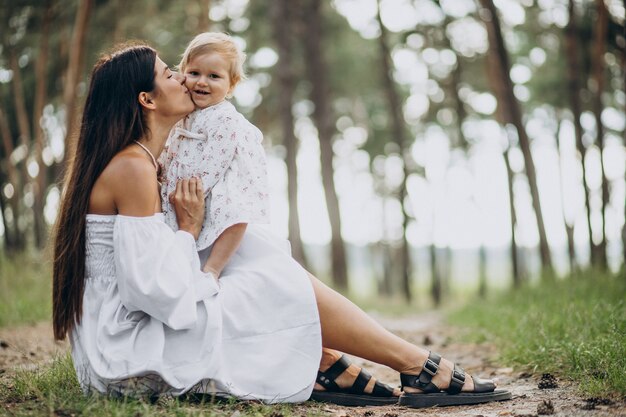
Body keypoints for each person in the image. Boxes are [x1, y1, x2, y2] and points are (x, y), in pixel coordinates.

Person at [52, 41, 511, 408]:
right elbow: (150, 291)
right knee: (266, 275)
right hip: (125, 352)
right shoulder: (132, 167)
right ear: (148, 99)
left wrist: (197, 252)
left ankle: (333, 362)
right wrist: (189, 234)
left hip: (129, 335)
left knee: (253, 253)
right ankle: (410, 365)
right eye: (171, 73)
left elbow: (151, 280)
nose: (185, 79)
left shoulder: (144, 161)